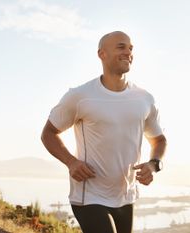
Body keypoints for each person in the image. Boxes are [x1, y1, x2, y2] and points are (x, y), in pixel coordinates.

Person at [41, 31, 167, 233]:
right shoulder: (80, 96)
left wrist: (154, 164)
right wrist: (71, 162)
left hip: (126, 197)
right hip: (89, 196)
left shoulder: (144, 99)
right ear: (102, 54)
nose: (128, 52)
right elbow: (48, 133)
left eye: (130, 48)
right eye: (121, 47)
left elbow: (159, 139)